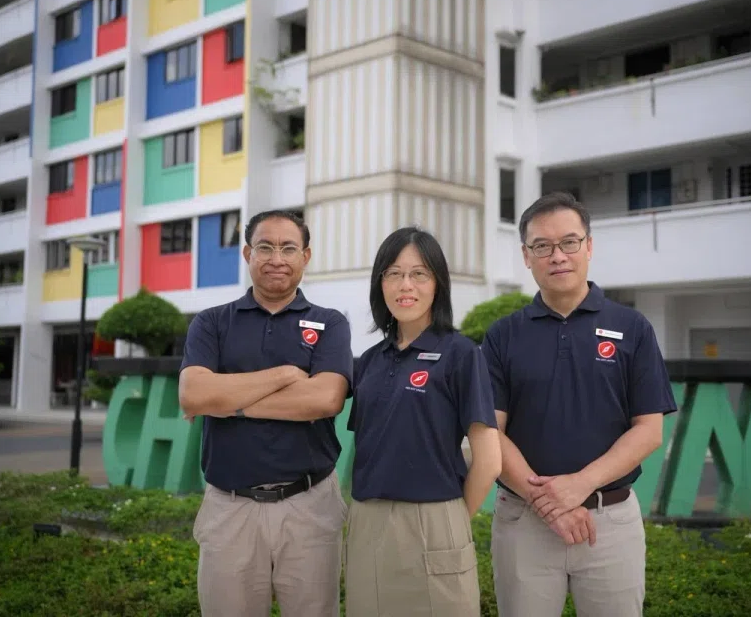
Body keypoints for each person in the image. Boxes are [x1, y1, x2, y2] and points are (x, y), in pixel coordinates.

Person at [481, 192, 677, 617]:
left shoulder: (632, 327)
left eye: (569, 242)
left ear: (589, 246)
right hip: (524, 525)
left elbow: (649, 430)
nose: (558, 256)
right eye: (542, 246)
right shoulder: (503, 336)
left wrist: (579, 484)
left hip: (610, 522)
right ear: (526, 256)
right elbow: (488, 432)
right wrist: (548, 503)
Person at [178, 210, 353, 617]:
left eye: (289, 247)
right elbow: (192, 394)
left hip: (309, 504)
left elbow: (325, 400)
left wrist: (228, 401)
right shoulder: (211, 323)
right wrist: (286, 375)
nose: (277, 257)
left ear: (305, 256)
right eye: (266, 247)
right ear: (247, 253)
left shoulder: (330, 324)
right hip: (230, 507)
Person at [344, 226, 502, 617]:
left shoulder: (462, 354)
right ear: (380, 284)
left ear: (438, 284)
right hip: (368, 521)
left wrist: (450, 520)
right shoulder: (370, 362)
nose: (405, 285)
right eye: (393, 273)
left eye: (419, 274)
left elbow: (489, 460)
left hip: (436, 518)